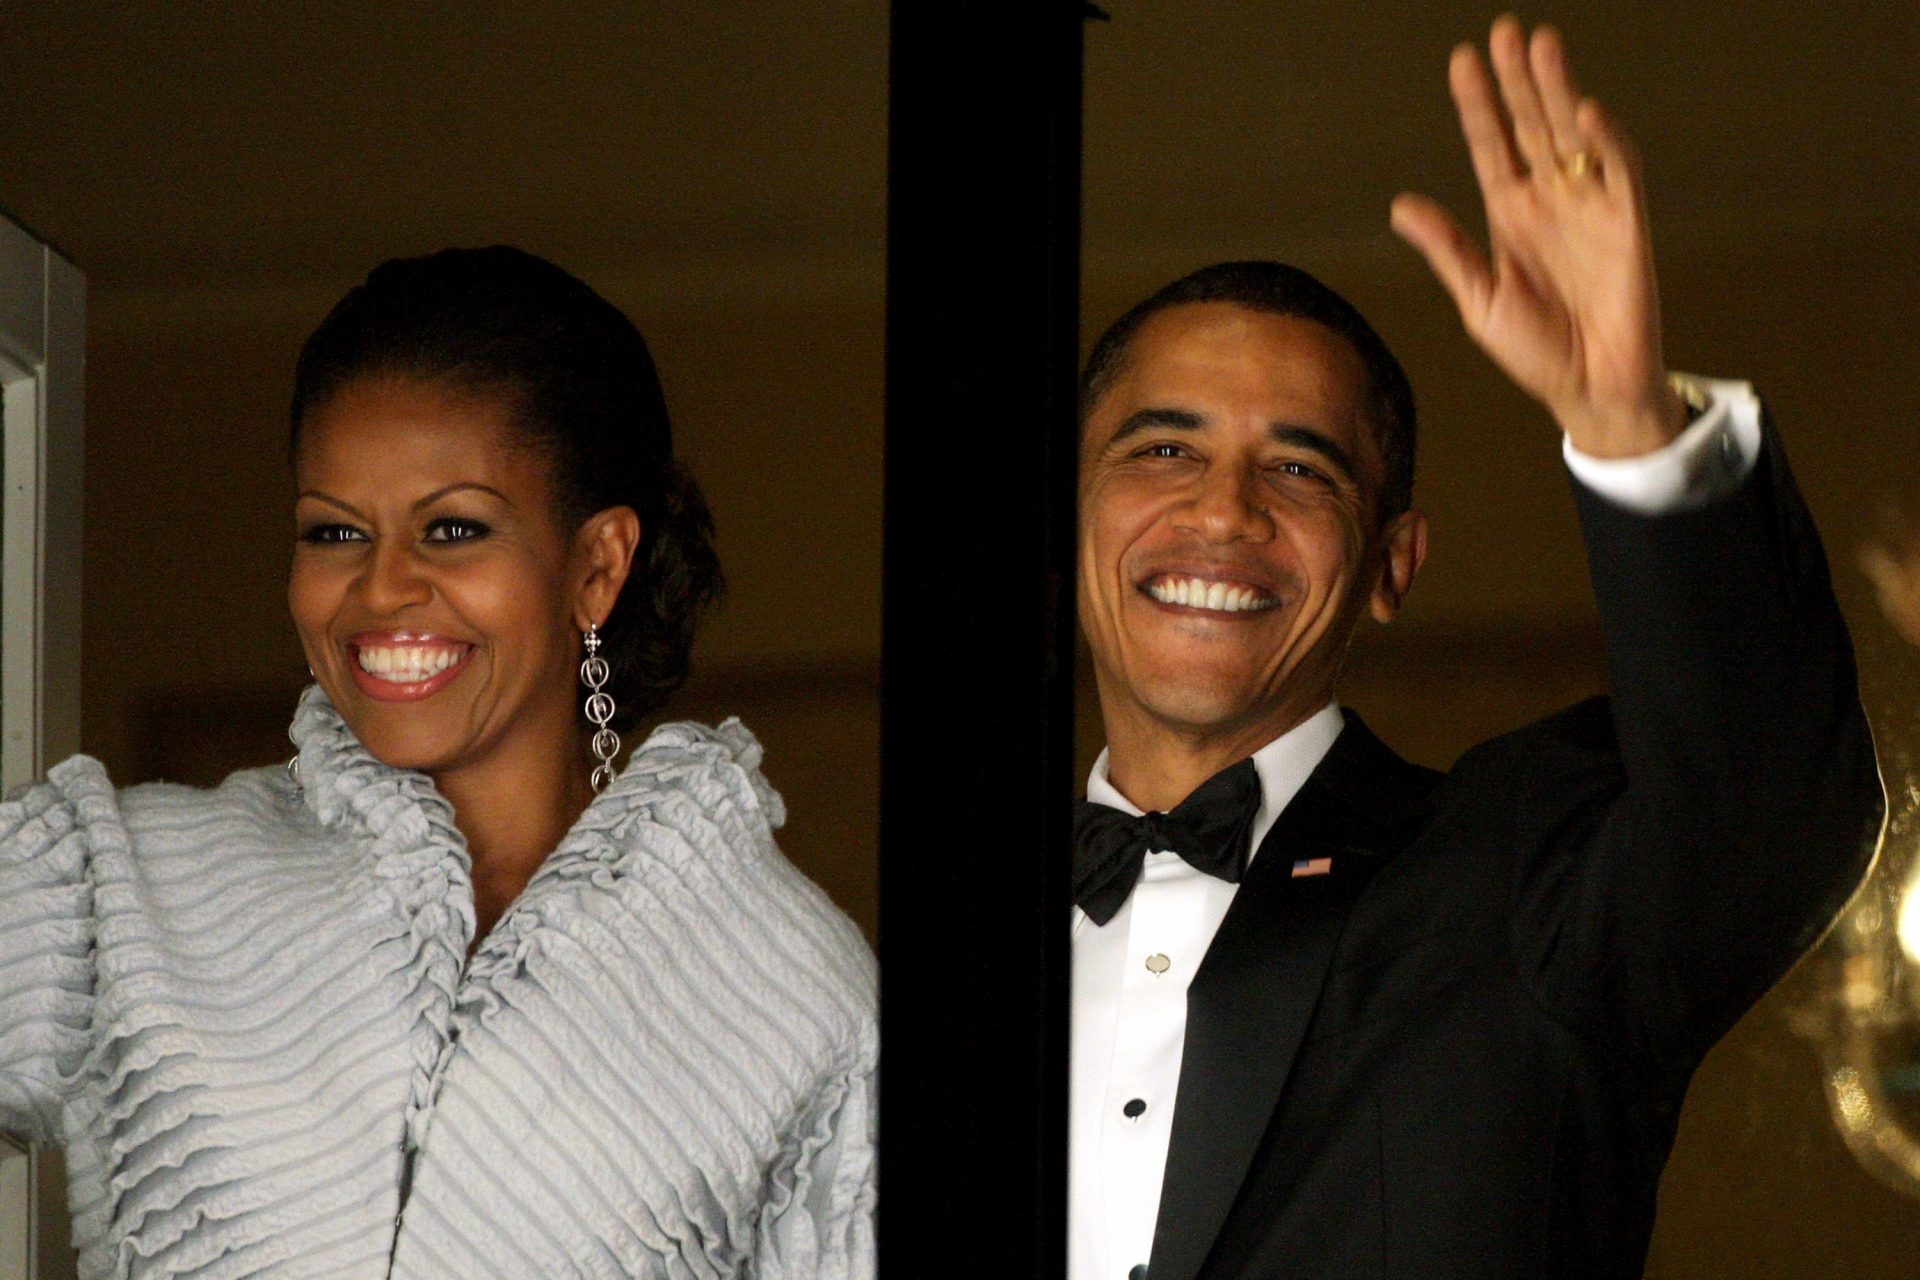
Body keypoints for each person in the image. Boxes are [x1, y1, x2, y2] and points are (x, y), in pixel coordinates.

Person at [1069, 19, 1882, 1280]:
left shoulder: (1521, 878)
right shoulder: (889, 976)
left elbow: (1768, 814)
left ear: (1393, 564)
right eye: (1164, 449)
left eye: (1299, 466)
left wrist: (1628, 423)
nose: (1223, 511)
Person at [0, 247, 876, 1278]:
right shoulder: (125, 879)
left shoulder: (792, 992)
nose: (380, 589)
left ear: (595, 565)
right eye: (334, 531)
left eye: (452, 529)